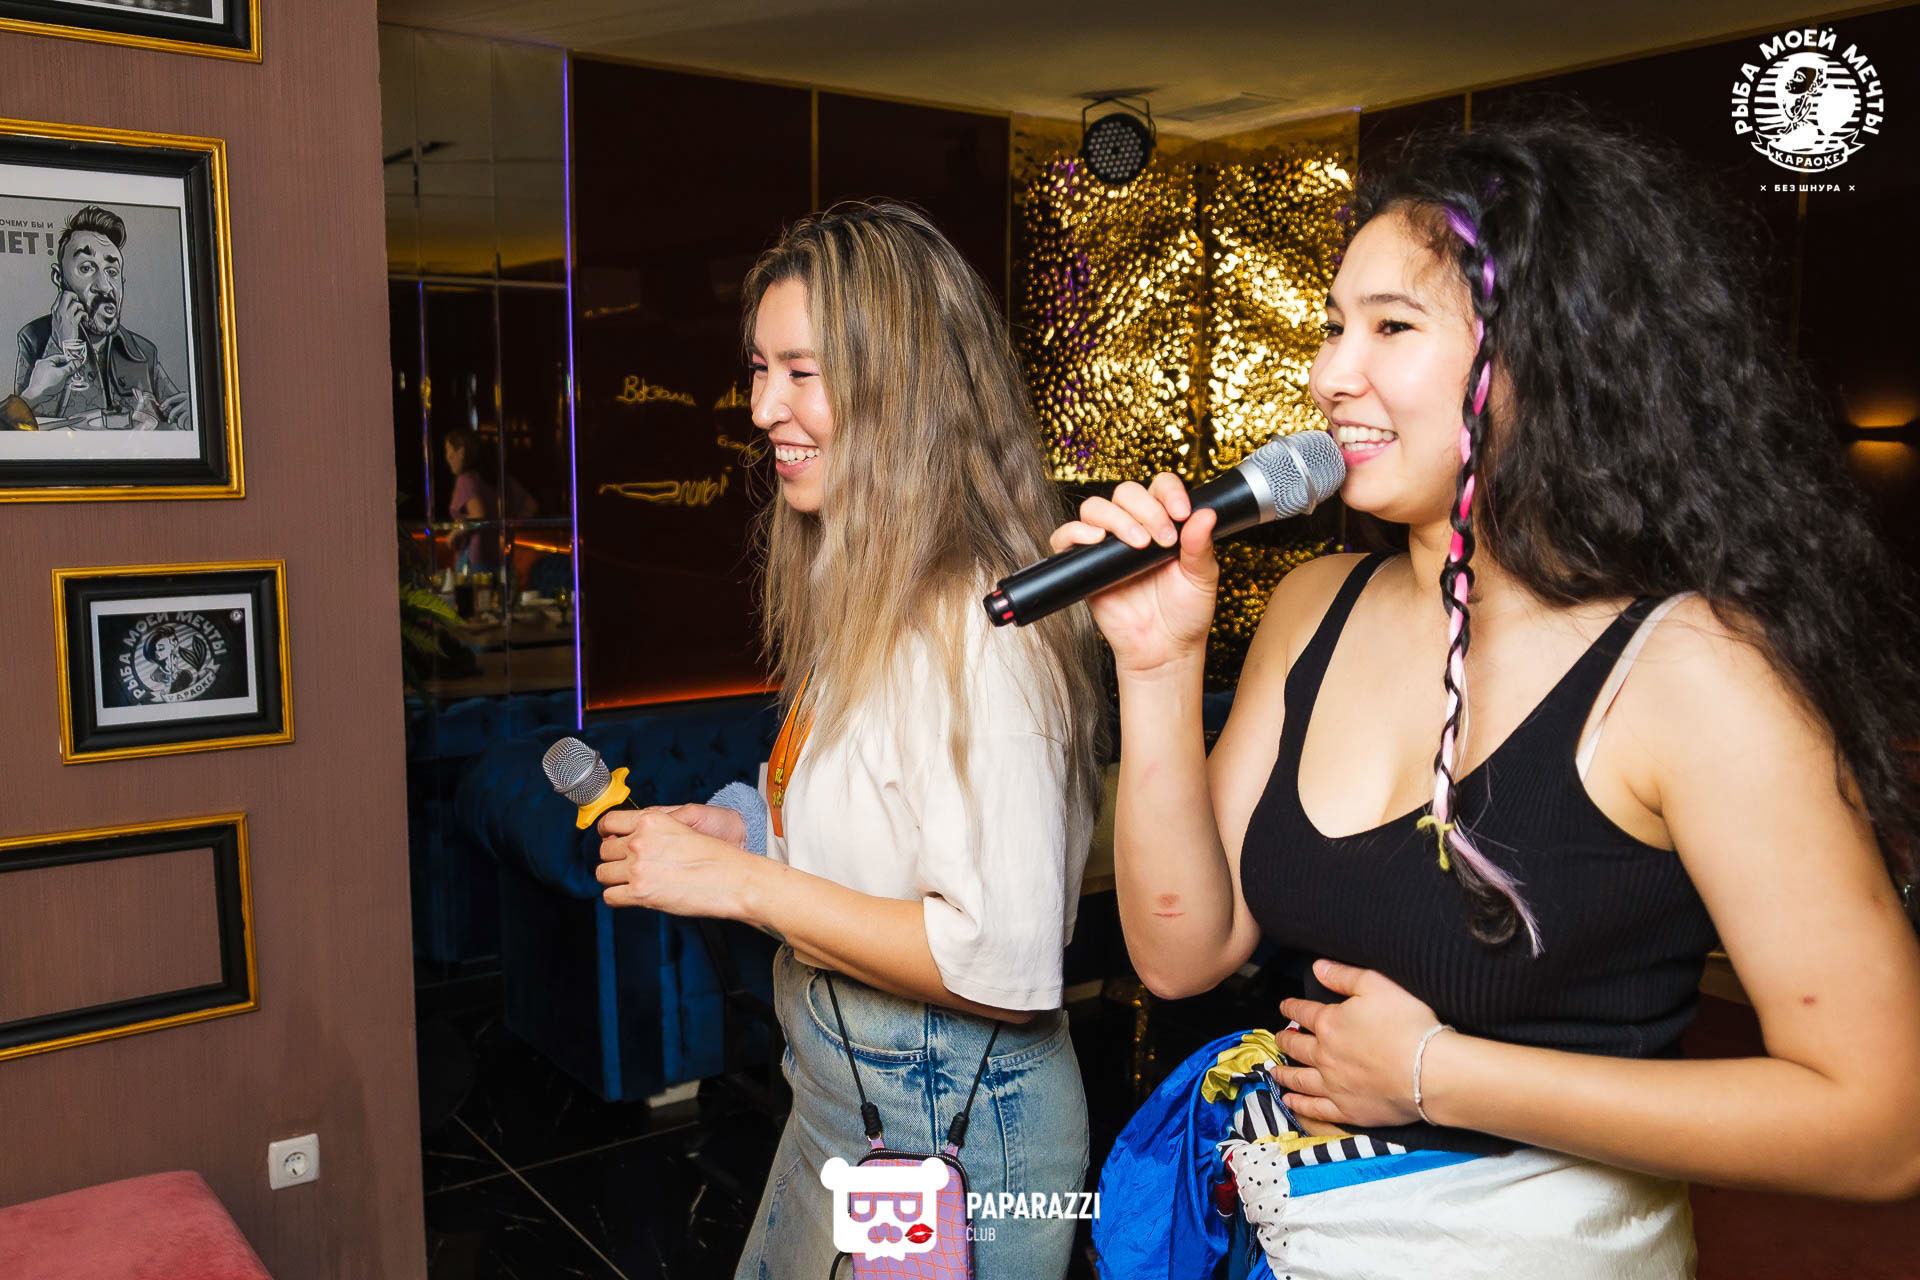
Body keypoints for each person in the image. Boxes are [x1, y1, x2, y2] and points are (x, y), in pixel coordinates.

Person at [1056, 118, 1920, 1276]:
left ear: (1547, 354)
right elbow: (1183, 953)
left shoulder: (1693, 667)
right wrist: (1157, 664)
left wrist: (1435, 1073)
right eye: (1332, 326)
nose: (1328, 375)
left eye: (1391, 327)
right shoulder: (1314, 604)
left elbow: (1882, 1122)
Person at [593, 203, 1106, 1279]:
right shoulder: (870, 586)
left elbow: (1000, 959)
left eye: (801, 372)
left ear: (904, 390)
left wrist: (742, 885)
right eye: (759, 368)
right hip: (848, 1100)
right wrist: (745, 829)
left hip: (951, 1132)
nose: (761, 407)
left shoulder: (979, 625)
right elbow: (874, 818)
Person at [14, 205, 189, 428]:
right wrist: (60, 347)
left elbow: (177, 418)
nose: (105, 286)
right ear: (59, 278)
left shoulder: (143, 353)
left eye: (112, 272)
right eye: (87, 268)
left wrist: (192, 414)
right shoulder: (33, 339)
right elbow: (22, 434)